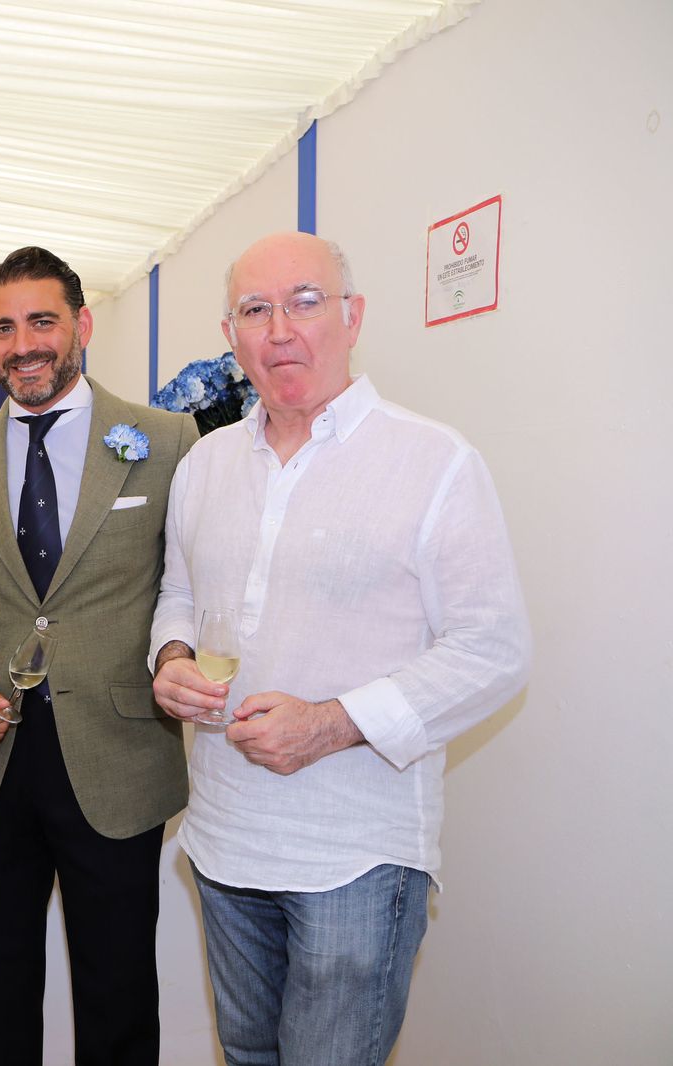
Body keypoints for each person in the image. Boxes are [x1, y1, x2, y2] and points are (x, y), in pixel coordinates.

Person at [149, 231, 531, 1066]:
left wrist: (332, 723)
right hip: (222, 839)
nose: (280, 329)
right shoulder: (204, 465)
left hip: (357, 852)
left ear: (353, 317)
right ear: (231, 334)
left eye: (305, 302)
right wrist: (171, 658)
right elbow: (179, 593)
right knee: (248, 1054)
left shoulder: (433, 462)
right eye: (256, 310)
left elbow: (494, 649)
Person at [0, 246, 198, 1066]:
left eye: (42, 321)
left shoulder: (168, 440)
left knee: (117, 995)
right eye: (3, 328)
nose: (24, 345)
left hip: (116, 760)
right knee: (1, 991)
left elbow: (186, 586)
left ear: (80, 324)